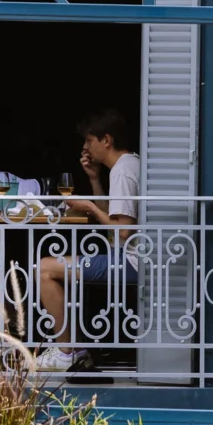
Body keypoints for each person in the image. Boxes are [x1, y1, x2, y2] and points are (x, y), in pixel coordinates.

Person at [36, 109, 140, 371]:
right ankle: (76, 349)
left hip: (132, 262)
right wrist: (94, 179)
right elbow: (114, 217)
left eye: (89, 140)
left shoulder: (123, 172)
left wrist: (91, 209)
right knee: (51, 266)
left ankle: (66, 351)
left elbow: (122, 232)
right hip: (127, 257)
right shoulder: (126, 165)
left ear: (107, 140)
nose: (85, 146)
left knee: (45, 269)